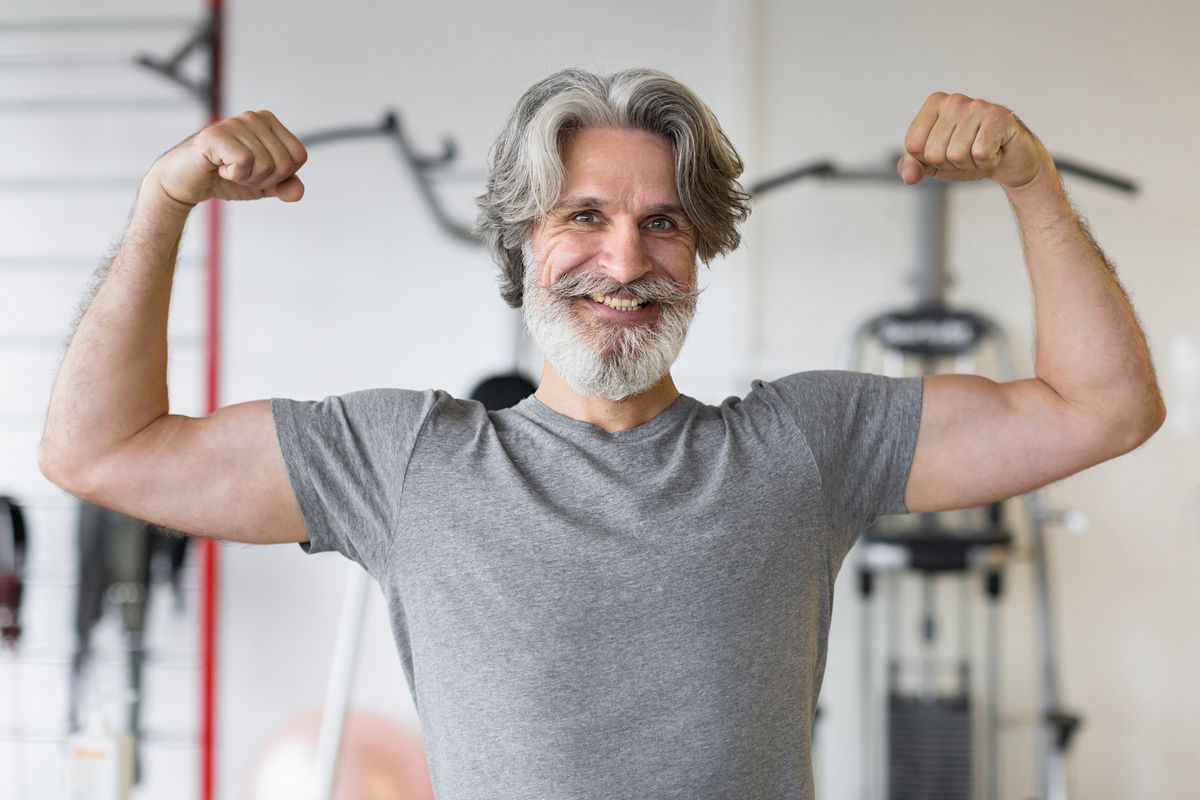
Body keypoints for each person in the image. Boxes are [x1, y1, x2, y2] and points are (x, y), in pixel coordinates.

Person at [39, 68, 1164, 799]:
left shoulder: (806, 447)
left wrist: (1030, 181)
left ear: (700, 249)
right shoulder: (405, 462)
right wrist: (162, 202)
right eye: (585, 215)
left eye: (662, 223)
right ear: (522, 242)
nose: (624, 262)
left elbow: (1102, 406)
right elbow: (101, 449)